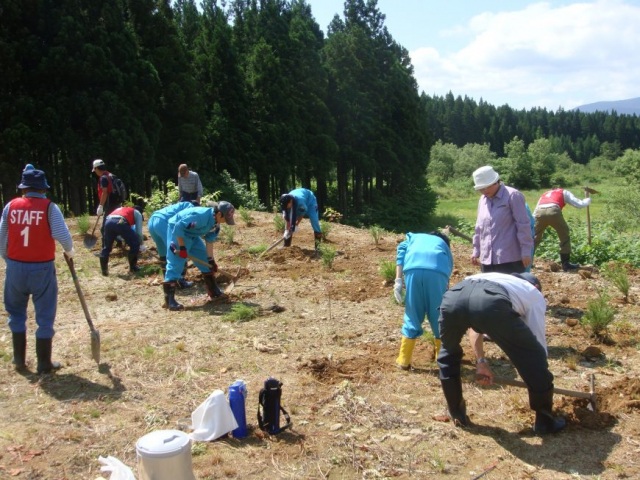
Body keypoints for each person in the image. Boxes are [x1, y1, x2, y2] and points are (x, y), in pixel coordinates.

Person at [437, 271, 566, 435]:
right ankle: (545, 421)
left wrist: (481, 362)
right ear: (536, 286)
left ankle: (457, 414)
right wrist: (540, 377)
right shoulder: (533, 293)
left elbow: (475, 326)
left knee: (448, 354)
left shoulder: (493, 278)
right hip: (490, 303)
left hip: (454, 297)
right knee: (534, 358)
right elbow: (537, 347)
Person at [0, 168, 75, 374]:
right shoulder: (49, 207)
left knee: (15, 313)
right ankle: (44, 363)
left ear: (23, 188)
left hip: (15, 266)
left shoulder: (10, 206)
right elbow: (63, 235)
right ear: (43, 188)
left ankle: (19, 360)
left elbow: (2, 236)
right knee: (44, 314)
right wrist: (69, 251)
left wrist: (8, 259)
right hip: (41, 268)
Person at [394, 232, 454, 369]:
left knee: (412, 312)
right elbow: (448, 267)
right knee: (439, 314)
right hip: (437, 273)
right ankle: (442, 360)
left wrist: (398, 280)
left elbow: (401, 251)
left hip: (412, 270)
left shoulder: (414, 238)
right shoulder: (443, 245)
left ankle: (404, 360)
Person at [162, 201, 235, 311]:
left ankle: (214, 292)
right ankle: (170, 301)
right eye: (226, 219)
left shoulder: (216, 225)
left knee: (204, 260)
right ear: (219, 214)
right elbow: (178, 227)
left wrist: (211, 261)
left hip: (192, 234)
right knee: (176, 263)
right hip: (178, 232)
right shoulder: (200, 216)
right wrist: (182, 247)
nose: (225, 222)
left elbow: (209, 241)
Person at [471, 166, 533, 274]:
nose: (484, 191)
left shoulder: (513, 196)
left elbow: (523, 225)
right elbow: (479, 227)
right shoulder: (482, 200)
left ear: (496, 182)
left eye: (486, 187)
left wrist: (526, 251)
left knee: (509, 290)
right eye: (481, 189)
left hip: (510, 259)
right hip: (487, 260)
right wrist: (476, 250)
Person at [533, 188, 592, 271]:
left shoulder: (545, 194)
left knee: (534, 237)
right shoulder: (563, 192)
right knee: (564, 235)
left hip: (539, 212)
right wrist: (587, 200)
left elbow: (535, 210)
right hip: (553, 210)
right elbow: (578, 204)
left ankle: (526, 261)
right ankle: (565, 264)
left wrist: (533, 223)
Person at [147, 201, 196, 288]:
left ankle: (167, 279)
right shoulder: (191, 207)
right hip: (163, 222)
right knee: (177, 249)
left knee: (163, 250)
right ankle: (179, 280)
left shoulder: (179, 206)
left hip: (152, 221)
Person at [99, 206, 144, 276]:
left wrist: (123, 238)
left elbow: (118, 229)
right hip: (121, 222)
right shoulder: (138, 213)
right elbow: (138, 233)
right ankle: (133, 267)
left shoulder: (122, 209)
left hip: (108, 222)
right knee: (135, 243)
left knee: (106, 247)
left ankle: (104, 271)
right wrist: (141, 244)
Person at [92, 159, 123, 248]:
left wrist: (100, 206)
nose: (95, 172)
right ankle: (119, 241)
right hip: (117, 204)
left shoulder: (103, 178)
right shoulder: (111, 175)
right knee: (114, 224)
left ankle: (105, 250)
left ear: (97, 168)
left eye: (95, 170)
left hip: (110, 206)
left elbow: (104, 192)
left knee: (104, 228)